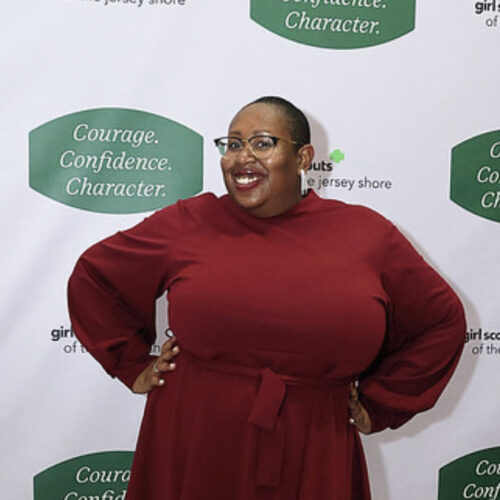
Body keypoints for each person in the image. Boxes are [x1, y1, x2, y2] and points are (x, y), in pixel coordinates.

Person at [67, 96, 466, 500]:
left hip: (315, 442)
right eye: (233, 144)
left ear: (304, 157)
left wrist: (378, 404)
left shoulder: (367, 234)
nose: (243, 158)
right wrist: (132, 363)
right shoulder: (189, 222)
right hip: (195, 433)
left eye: (262, 143)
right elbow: (95, 277)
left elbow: (441, 322)